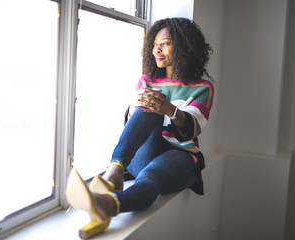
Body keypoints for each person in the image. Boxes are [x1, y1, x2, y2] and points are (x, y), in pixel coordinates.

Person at [66, 17, 214, 239]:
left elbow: (191, 129)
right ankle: (115, 169)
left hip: (180, 156)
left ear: (183, 46)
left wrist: (168, 109)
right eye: (154, 44)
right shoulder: (146, 81)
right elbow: (133, 127)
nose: (157, 50)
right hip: (143, 154)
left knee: (151, 177)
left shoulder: (203, 87)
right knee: (147, 106)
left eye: (164, 43)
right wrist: (135, 105)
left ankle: (110, 204)